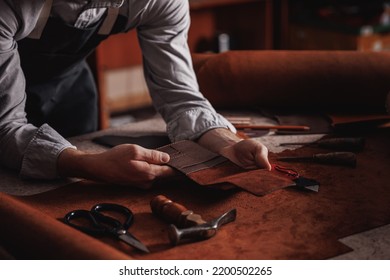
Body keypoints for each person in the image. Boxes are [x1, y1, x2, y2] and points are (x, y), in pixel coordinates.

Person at [0, 0, 271, 188]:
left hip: (68, 91)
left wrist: (225, 142)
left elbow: (180, 96)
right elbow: (5, 126)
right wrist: (86, 165)